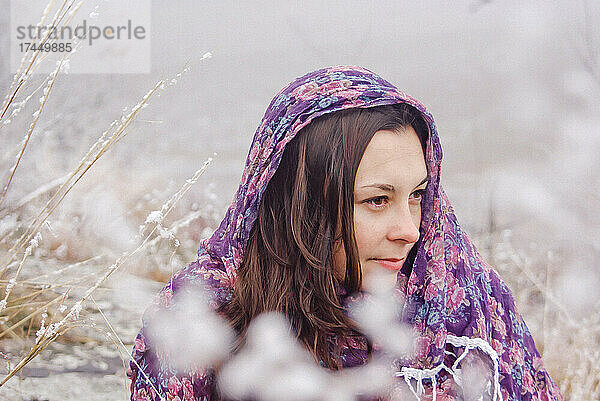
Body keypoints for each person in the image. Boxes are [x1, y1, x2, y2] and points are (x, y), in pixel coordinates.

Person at [128, 66, 564, 401]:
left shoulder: (468, 305)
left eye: (417, 196)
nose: (410, 230)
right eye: (377, 200)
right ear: (304, 206)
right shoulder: (199, 318)